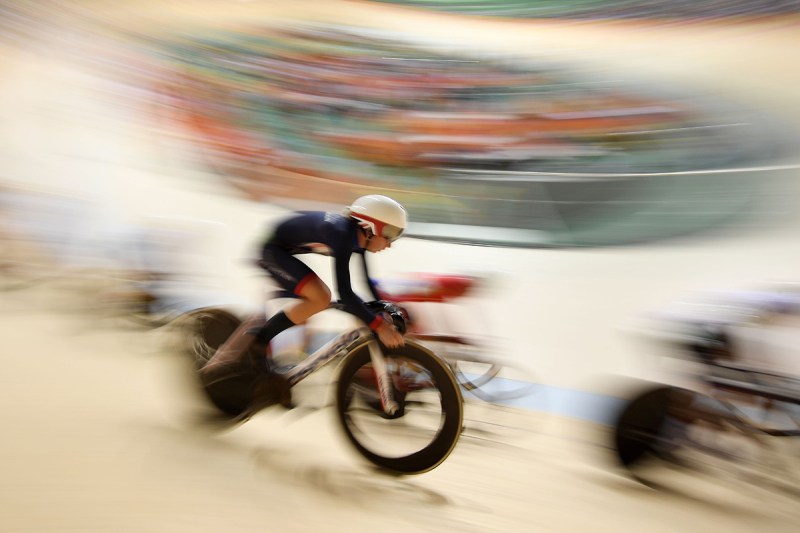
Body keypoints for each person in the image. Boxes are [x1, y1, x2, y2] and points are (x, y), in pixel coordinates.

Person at [198, 194, 407, 413]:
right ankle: (259, 343)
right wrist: (378, 326)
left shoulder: (358, 239)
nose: (390, 244)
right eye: (390, 234)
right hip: (271, 251)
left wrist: (385, 307)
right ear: (371, 226)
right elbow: (345, 293)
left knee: (324, 299)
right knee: (320, 297)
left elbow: (365, 282)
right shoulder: (343, 234)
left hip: (284, 249)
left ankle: (268, 348)